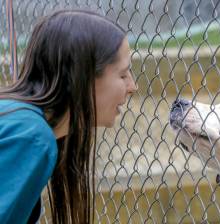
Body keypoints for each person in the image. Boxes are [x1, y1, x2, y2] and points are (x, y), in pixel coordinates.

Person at [0, 9, 137, 223]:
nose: (133, 86)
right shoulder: (33, 137)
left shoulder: (18, 117)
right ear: (84, 77)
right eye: (122, 74)